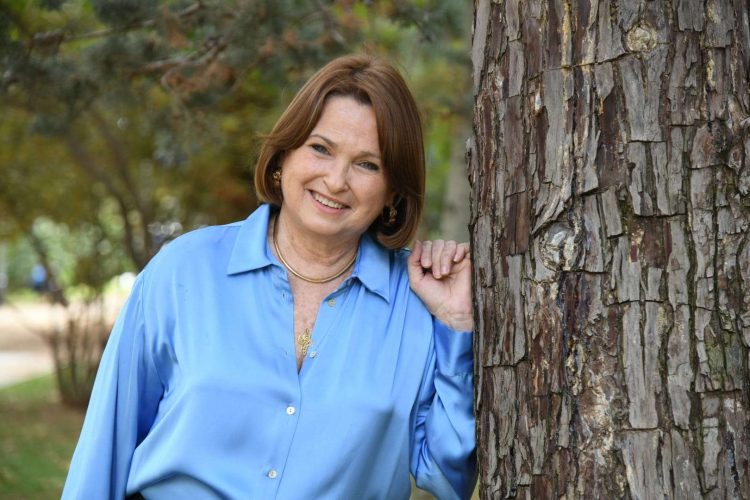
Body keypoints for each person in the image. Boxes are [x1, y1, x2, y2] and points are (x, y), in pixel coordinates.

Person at [63, 54, 476, 500]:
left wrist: (456, 325)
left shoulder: (415, 305)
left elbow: (448, 477)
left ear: (392, 191)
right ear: (283, 156)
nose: (336, 180)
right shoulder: (184, 270)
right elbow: (106, 448)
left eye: (367, 164)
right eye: (321, 148)